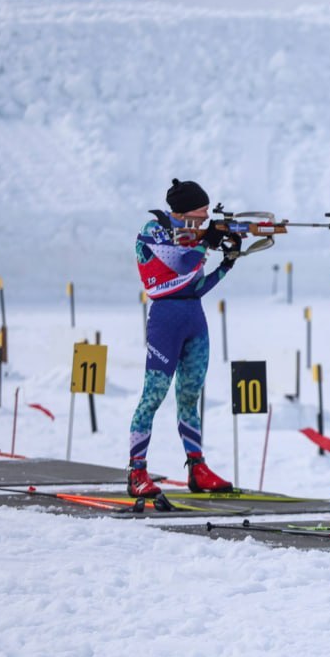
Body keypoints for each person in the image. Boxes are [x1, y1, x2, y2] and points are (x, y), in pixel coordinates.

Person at [127, 179, 238, 498]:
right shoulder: (155, 230)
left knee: (190, 396)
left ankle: (197, 467)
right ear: (186, 210)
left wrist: (227, 264)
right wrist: (207, 243)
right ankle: (136, 470)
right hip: (165, 320)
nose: (205, 219)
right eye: (201, 212)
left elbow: (196, 287)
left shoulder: (192, 238)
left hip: (193, 317)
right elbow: (182, 263)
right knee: (153, 395)